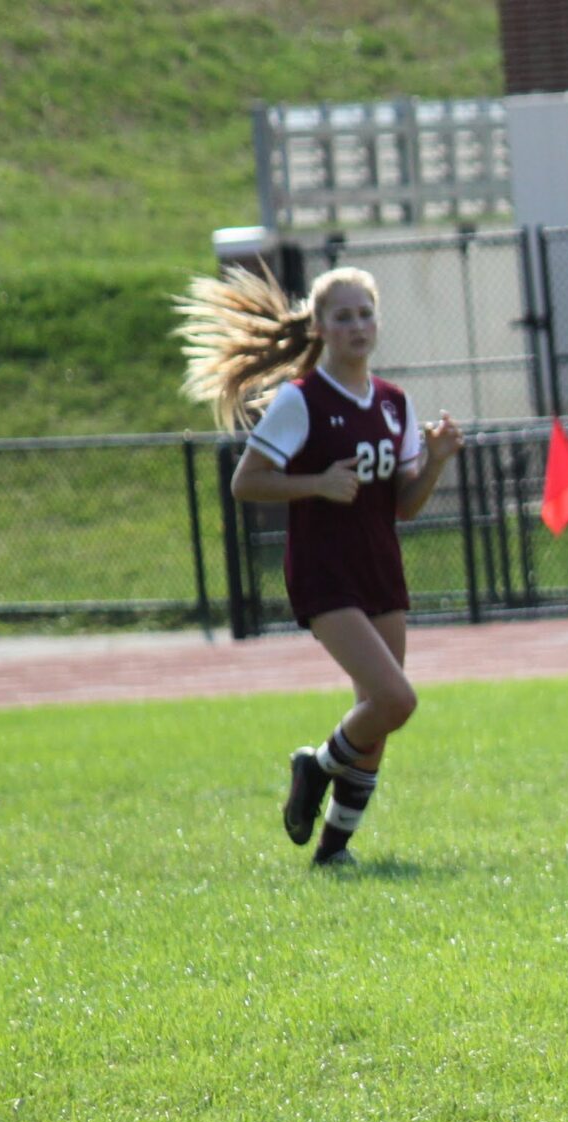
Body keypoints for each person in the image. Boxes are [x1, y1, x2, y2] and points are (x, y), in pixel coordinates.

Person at [179, 265, 461, 868]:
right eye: (343, 316)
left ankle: (332, 852)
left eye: (365, 314)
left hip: (380, 568)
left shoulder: (393, 403)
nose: (357, 326)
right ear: (320, 327)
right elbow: (245, 482)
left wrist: (434, 462)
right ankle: (315, 766)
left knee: (377, 720)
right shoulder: (300, 401)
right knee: (396, 699)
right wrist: (316, 483)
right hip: (323, 571)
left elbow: (404, 506)